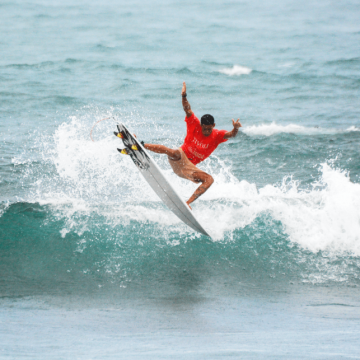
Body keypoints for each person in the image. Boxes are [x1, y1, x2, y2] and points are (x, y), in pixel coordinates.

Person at [143, 82, 241, 209]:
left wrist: (236, 129)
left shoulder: (217, 135)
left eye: (209, 129)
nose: (206, 131)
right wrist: (184, 96)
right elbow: (187, 109)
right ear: (201, 125)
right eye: (204, 128)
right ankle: (141, 145)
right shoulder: (194, 124)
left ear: (214, 126)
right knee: (174, 152)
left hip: (188, 169)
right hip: (179, 158)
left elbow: (231, 134)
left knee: (209, 180)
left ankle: (188, 203)